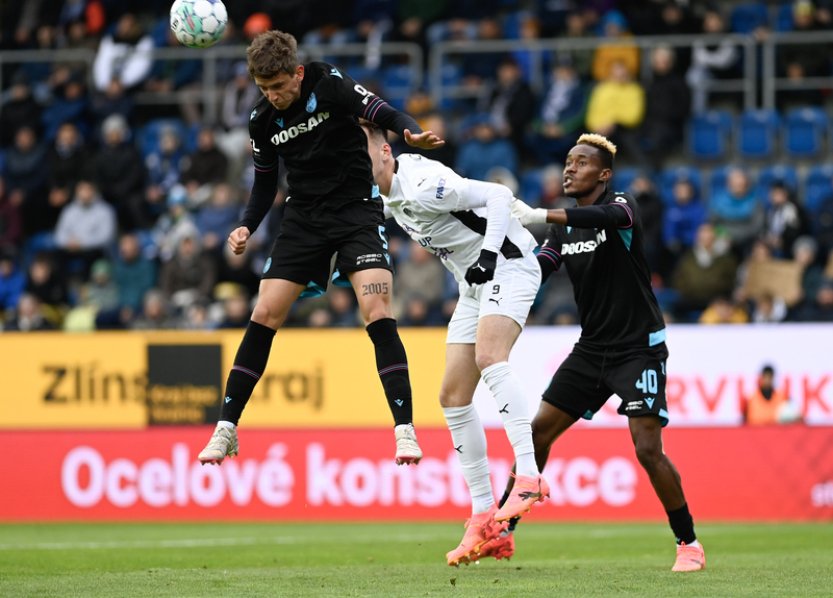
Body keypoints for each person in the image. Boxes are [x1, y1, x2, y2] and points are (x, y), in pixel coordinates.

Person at [197, 30, 444, 468]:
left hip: (356, 210)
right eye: (263, 89)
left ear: (296, 73)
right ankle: (226, 428)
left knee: (377, 309)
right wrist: (246, 226)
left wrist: (412, 129)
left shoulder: (327, 82)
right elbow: (265, 183)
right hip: (304, 218)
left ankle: (404, 428)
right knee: (264, 312)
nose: (272, 96)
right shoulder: (261, 120)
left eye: (278, 86)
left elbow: (379, 109)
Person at [509, 133, 706, 572]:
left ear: (604, 174)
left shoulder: (623, 205)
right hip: (591, 349)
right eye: (568, 161)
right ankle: (503, 532)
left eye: (581, 162)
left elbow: (611, 216)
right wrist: (499, 274)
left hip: (638, 348)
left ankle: (688, 543)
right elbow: (542, 266)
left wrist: (541, 213)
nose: (570, 168)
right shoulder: (563, 228)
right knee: (537, 434)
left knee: (647, 449)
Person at [362, 122, 548, 567]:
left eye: (359, 154)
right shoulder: (382, 195)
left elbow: (498, 195)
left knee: (489, 356)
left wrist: (488, 253)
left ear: (385, 152)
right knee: (452, 396)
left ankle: (529, 475)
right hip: (472, 284)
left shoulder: (425, 184)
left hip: (506, 264)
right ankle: (484, 517)